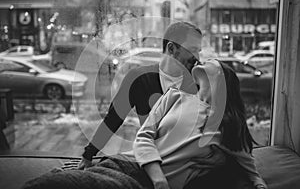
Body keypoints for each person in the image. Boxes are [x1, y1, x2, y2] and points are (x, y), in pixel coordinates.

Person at [78, 21, 203, 169]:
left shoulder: (199, 82)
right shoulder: (138, 79)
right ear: (171, 48)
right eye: (193, 49)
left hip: (190, 164)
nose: (197, 57)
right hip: (153, 161)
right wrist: (88, 155)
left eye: (198, 51)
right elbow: (113, 119)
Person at [133, 59, 267, 189]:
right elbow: (143, 137)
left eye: (211, 60)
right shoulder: (173, 96)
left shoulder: (225, 124)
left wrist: (227, 160)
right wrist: (159, 180)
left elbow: (252, 172)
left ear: (220, 75)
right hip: (134, 167)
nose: (201, 59)